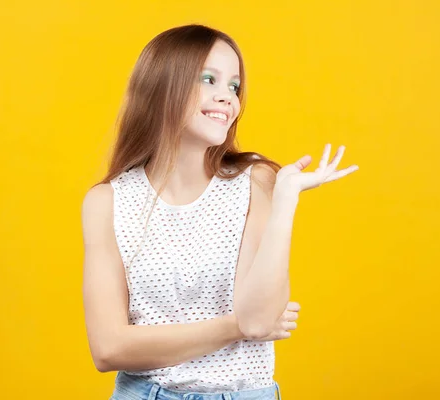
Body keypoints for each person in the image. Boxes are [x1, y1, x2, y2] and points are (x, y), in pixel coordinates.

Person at [81, 24, 358, 400]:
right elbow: (108, 348)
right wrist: (233, 327)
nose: (227, 98)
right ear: (162, 85)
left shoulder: (257, 181)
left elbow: (259, 320)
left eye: (234, 86)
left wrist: (285, 201)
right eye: (208, 79)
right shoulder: (107, 202)